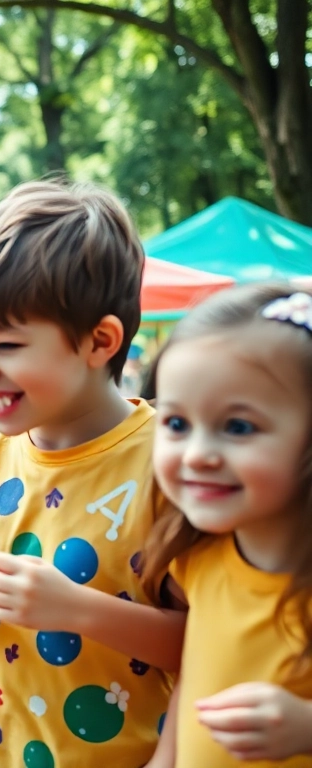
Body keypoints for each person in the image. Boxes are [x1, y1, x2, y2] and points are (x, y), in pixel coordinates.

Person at [0, 181, 183, 767]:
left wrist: (79, 609)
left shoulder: (172, 462)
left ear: (99, 340)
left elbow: (209, 645)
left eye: (6, 344)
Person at [142, 284, 312, 766]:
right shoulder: (196, 559)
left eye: (237, 427)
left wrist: (305, 726)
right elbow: (195, 683)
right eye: (176, 424)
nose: (197, 455)